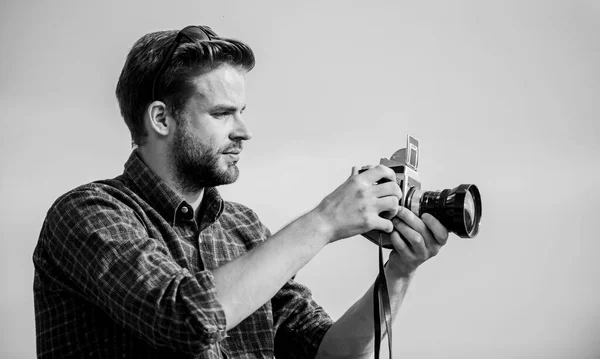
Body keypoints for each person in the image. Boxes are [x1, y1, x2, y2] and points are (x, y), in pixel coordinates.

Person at [32, 25, 449, 359]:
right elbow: (186, 319)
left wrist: (398, 273)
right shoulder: (87, 213)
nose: (244, 132)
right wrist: (324, 220)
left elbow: (328, 352)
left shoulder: (242, 226)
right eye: (222, 113)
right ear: (161, 118)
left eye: (242, 113)